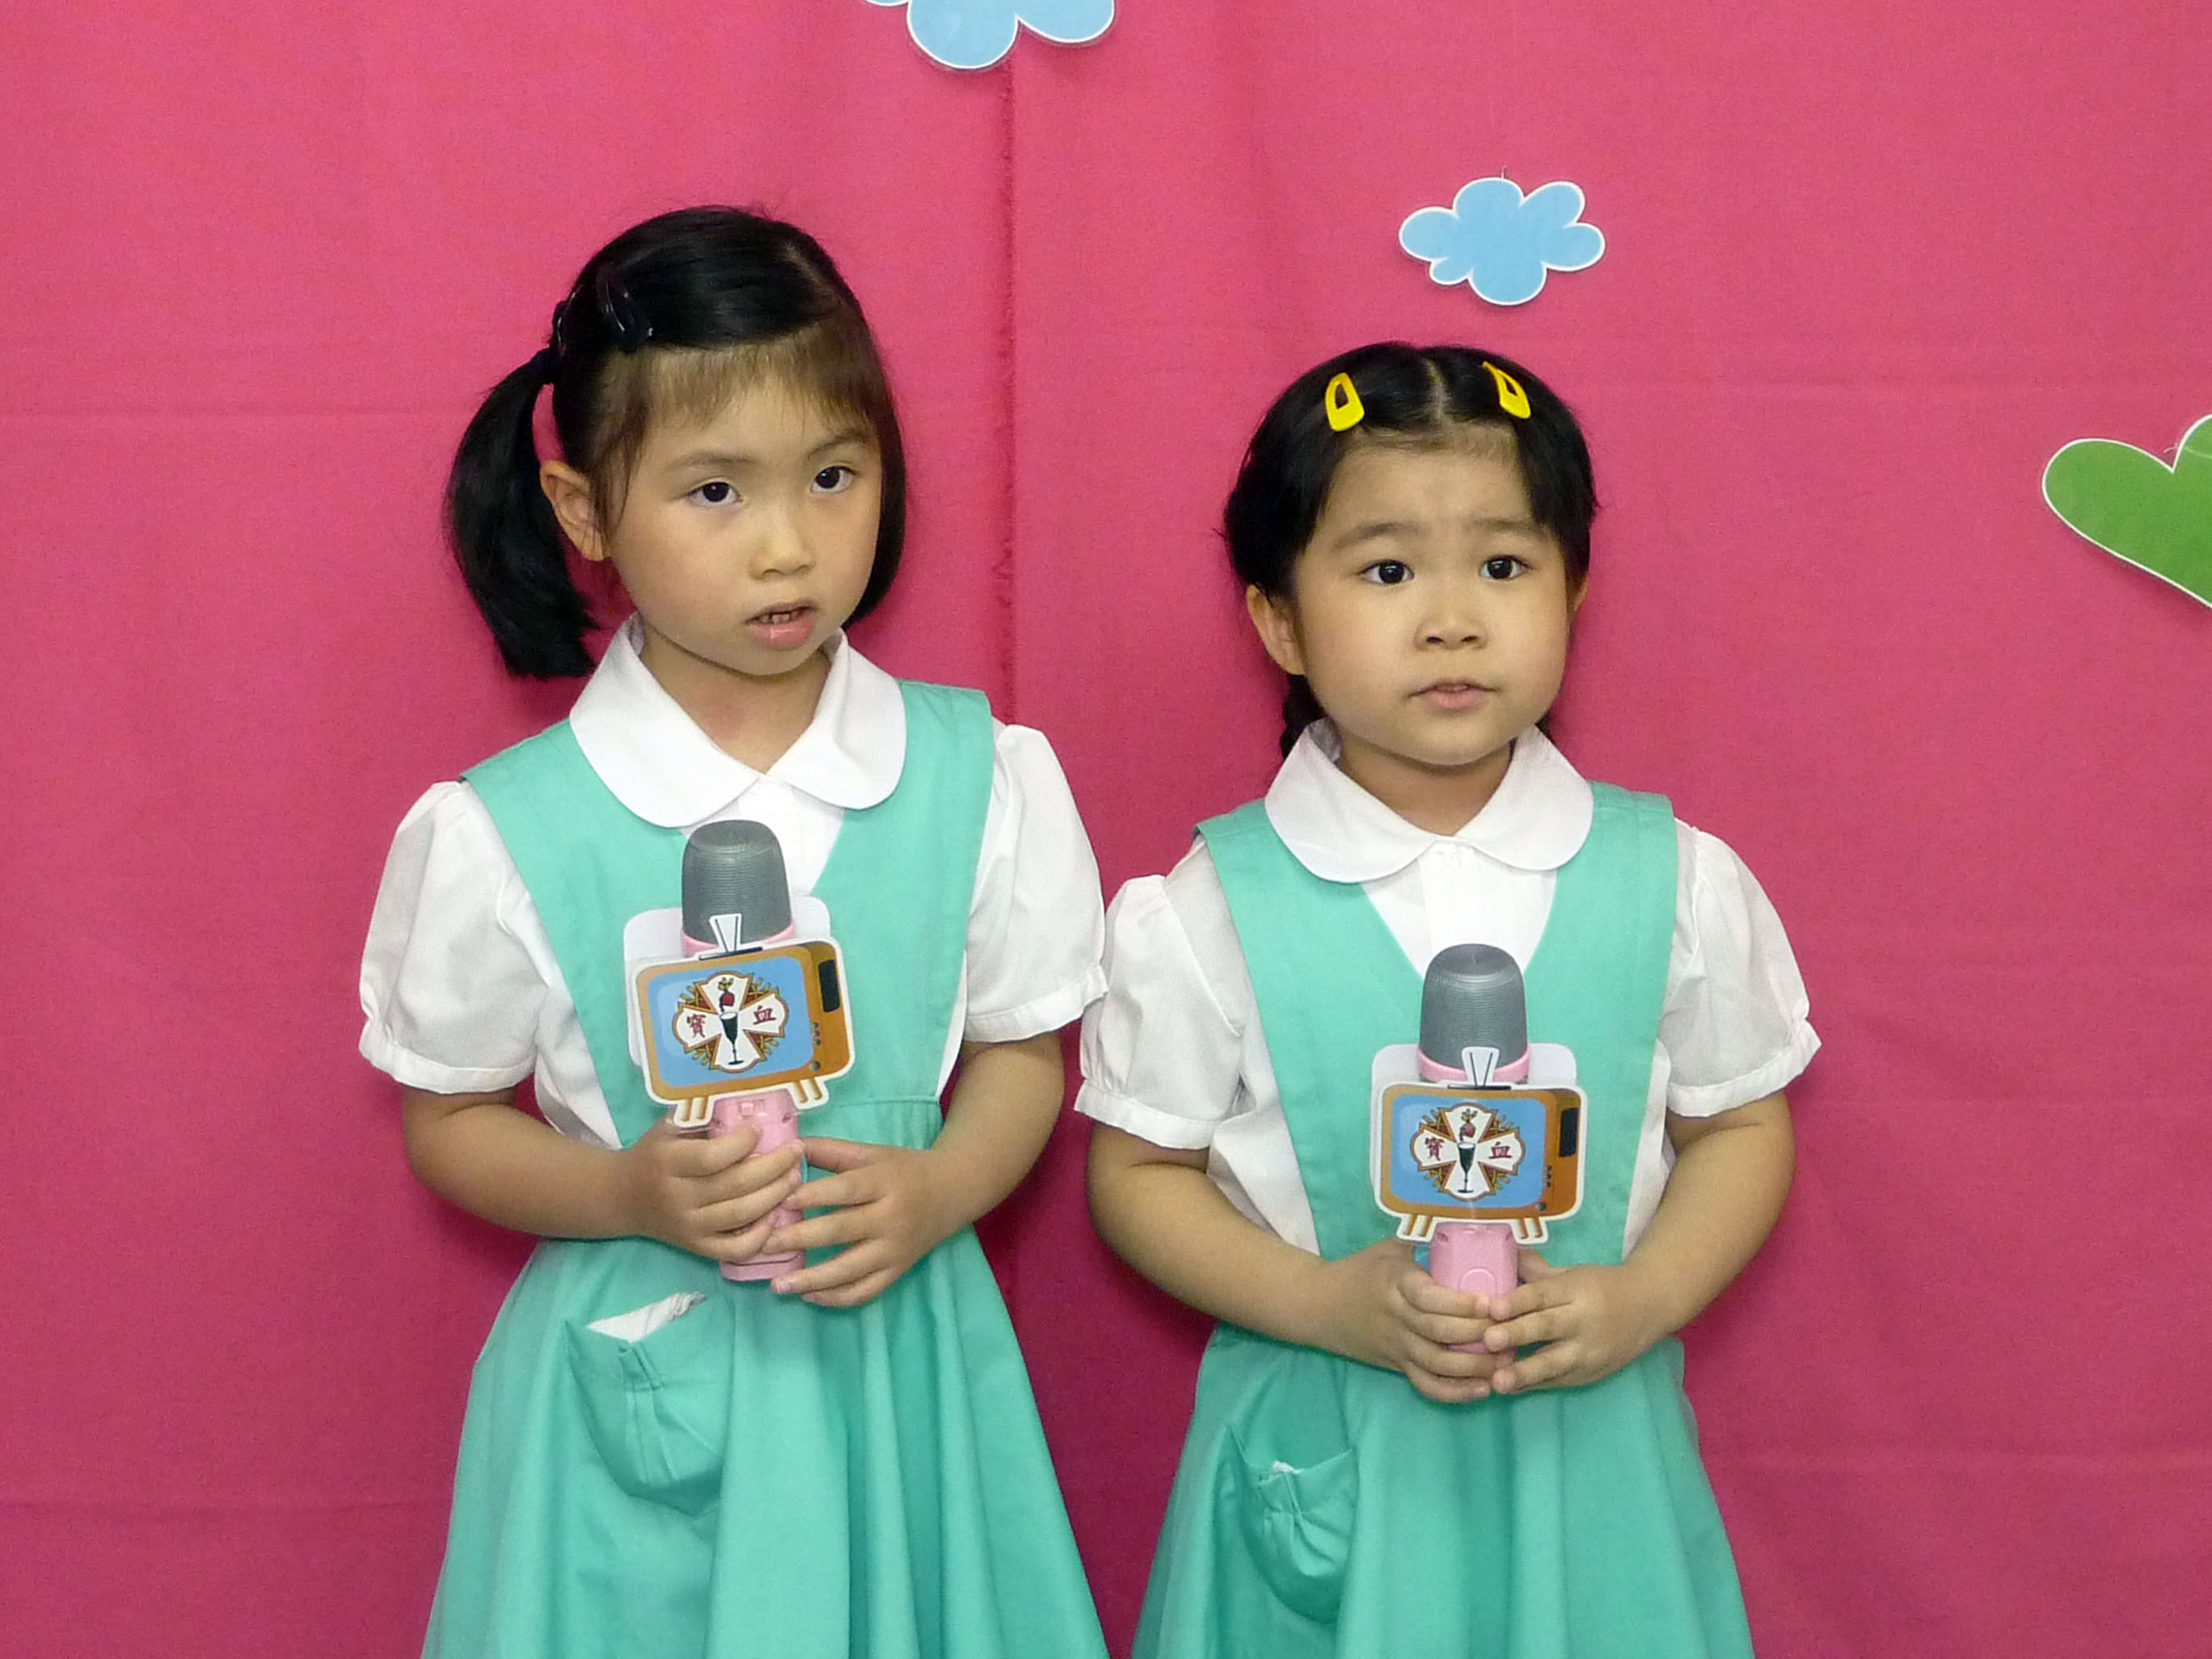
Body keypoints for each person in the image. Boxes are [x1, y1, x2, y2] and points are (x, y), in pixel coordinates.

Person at [359, 206, 1109, 1659]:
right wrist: (629, 1193)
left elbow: (1024, 1050)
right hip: (636, 1404)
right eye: (715, 490)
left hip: (902, 1371)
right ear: (584, 512)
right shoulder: (505, 828)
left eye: (834, 475)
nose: (787, 544)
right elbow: (447, 1123)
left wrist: (943, 1186)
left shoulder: (982, 775)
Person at [1081, 343, 1817, 1657]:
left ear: (1574, 587)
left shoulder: (1675, 879)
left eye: (1503, 565)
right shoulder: (1207, 908)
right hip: (1329, 1466)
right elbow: (1138, 1175)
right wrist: (1324, 1303)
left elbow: (1742, 1128)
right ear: (1280, 620)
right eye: (1386, 571)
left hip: (1595, 1467)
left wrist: (1643, 1299)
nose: (1452, 619)